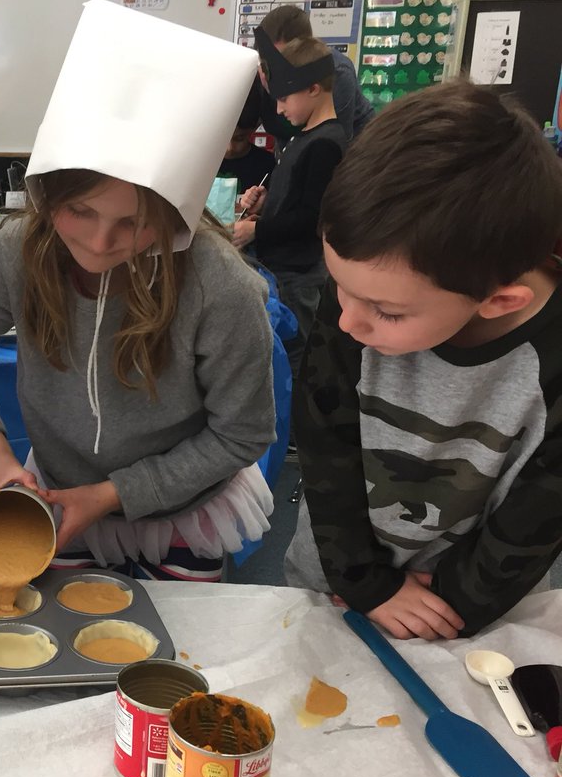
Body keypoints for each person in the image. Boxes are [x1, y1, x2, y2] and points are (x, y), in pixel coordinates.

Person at [0, 1, 275, 582]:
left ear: (177, 213)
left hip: (183, 506)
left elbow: (241, 432)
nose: (98, 242)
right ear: (47, 195)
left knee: (170, 653)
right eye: (79, 211)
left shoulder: (221, 288)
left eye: (135, 223)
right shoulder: (11, 259)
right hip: (59, 491)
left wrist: (114, 492)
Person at [284, 81, 562, 640]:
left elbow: (539, 515)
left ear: (499, 300)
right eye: (339, 285)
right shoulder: (366, 290)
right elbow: (323, 438)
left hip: (470, 607)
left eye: (386, 313)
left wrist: (454, 606)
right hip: (337, 578)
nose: (347, 324)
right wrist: (366, 583)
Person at [235, 33, 346, 379]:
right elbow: (296, 198)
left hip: (298, 277)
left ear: (313, 88)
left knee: (295, 357)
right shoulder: (304, 137)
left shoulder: (325, 144)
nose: (279, 109)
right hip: (283, 270)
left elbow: (311, 218)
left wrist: (257, 229)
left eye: (283, 99)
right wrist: (266, 203)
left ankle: (296, 432)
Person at [256, 4, 373, 142]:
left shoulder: (336, 72)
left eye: (279, 59)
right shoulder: (263, 70)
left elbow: (331, 144)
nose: (273, 67)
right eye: (266, 58)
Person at [220, 76, 275, 193]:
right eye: (223, 138)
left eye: (239, 138)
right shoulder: (199, 163)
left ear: (255, 128)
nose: (229, 148)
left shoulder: (266, 165)